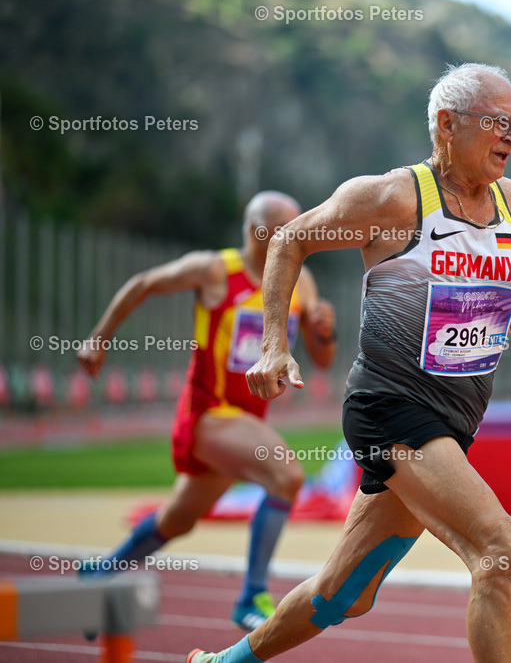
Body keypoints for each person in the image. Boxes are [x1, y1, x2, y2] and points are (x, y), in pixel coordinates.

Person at [187, 63, 511, 663]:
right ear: (446, 125)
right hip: (391, 412)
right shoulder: (392, 198)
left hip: (454, 422)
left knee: (343, 595)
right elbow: (289, 240)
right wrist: (276, 343)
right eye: (497, 122)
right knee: (501, 551)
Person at [77, 191, 337, 630]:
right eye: (289, 227)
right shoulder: (216, 270)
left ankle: (98, 573)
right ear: (260, 233)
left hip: (246, 424)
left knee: (177, 520)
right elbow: (144, 283)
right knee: (288, 475)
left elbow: (323, 359)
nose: (300, 234)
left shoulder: (302, 282)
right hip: (208, 414)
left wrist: (323, 333)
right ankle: (251, 595)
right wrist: (99, 338)